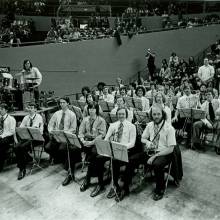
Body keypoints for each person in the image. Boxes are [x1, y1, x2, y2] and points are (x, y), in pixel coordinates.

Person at [141, 104, 176, 200]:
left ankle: (160, 189)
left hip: (165, 152)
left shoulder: (169, 128)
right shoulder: (149, 125)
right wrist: (148, 142)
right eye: (154, 114)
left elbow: (171, 149)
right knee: (135, 158)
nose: (156, 116)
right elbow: (143, 138)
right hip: (152, 150)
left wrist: (154, 156)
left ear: (163, 114)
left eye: (158, 114)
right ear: (151, 115)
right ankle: (128, 184)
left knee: (157, 164)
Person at [45, 97, 80, 186]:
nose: (61, 104)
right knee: (47, 147)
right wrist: (51, 132)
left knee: (62, 149)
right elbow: (50, 124)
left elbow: (73, 129)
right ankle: (60, 159)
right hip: (56, 136)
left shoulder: (72, 114)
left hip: (66, 137)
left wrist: (64, 134)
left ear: (67, 103)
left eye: (63, 102)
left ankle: (68, 168)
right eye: (60, 103)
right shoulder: (57, 113)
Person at [104, 107, 136, 202]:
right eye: (119, 114)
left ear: (126, 115)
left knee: (116, 161)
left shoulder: (131, 126)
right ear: (116, 115)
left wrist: (121, 147)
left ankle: (124, 188)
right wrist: (109, 144)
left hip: (127, 150)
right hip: (114, 150)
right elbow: (106, 138)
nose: (121, 115)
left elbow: (132, 143)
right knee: (111, 159)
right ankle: (115, 185)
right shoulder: (113, 125)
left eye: (123, 114)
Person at [79, 103, 107, 197]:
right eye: (90, 109)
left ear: (96, 110)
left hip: (96, 143)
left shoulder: (101, 120)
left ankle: (88, 178)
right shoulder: (85, 119)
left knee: (94, 155)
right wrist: (83, 140)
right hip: (86, 141)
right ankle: (71, 173)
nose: (91, 110)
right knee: (74, 147)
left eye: (93, 109)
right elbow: (80, 132)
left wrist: (92, 143)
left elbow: (102, 135)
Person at [14, 102, 44, 180]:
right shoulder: (26, 117)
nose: (30, 109)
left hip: (36, 138)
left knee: (23, 147)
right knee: (16, 147)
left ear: (35, 110)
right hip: (27, 137)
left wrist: (29, 128)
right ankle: (26, 159)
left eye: (32, 108)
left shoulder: (39, 117)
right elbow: (21, 128)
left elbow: (37, 130)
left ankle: (22, 169)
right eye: (29, 108)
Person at [0, 103, 16, 172]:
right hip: (0, 136)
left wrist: (2, 136)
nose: (0, 110)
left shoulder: (11, 119)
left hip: (8, 137)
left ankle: (0, 165)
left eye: (1, 109)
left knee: (1, 145)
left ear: (6, 110)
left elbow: (12, 131)